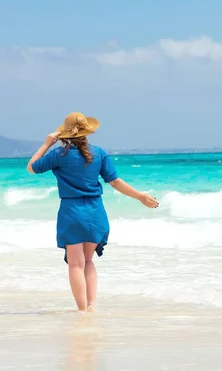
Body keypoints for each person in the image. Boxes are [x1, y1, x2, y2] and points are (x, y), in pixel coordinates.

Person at [27, 112, 158, 312]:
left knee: (75, 265)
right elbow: (115, 181)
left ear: (64, 133)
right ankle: (91, 307)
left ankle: (81, 311)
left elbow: (32, 168)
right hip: (96, 211)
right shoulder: (99, 153)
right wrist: (140, 196)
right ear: (87, 132)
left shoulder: (58, 155)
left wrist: (47, 144)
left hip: (71, 212)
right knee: (88, 261)